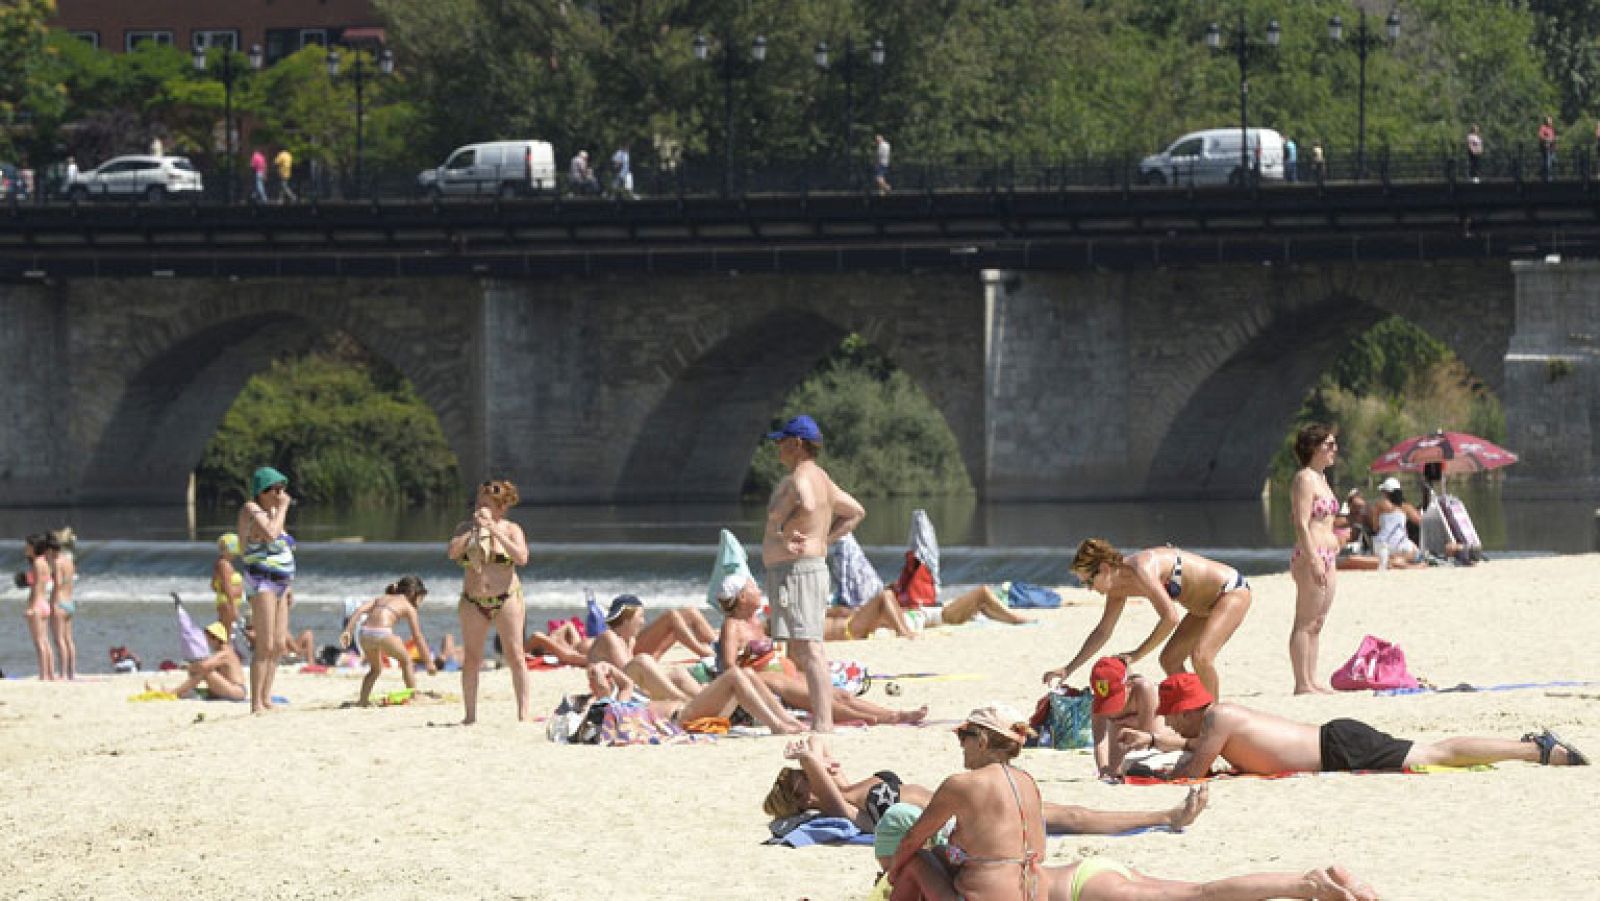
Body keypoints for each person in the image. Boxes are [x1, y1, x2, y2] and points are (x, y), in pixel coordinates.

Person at [1117, 673, 1589, 781]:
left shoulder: (1218, 719)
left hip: (1338, 749)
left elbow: (1195, 768)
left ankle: (1534, 749)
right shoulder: (1222, 715)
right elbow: (1197, 745)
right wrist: (1153, 738)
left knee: (1437, 753)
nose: (1170, 720)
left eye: (1171, 714)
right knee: (1434, 748)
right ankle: (1533, 747)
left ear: (1186, 710)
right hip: (1336, 741)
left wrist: (1149, 769)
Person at [766, 734, 1206, 846]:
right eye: (815, 774)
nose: (827, 764)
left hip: (967, 800)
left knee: (1065, 811)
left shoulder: (846, 784)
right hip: (961, 818)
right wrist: (804, 762)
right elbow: (845, 820)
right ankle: (1168, 816)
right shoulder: (842, 804)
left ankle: (1165, 815)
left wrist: (805, 754)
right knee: (1069, 819)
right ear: (809, 795)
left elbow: (817, 741)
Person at [1044, 539, 1250, 701]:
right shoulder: (1116, 590)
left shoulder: (1142, 568)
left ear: (1105, 568)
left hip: (1229, 591)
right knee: (1170, 660)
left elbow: (1170, 617)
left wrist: (1137, 654)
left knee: (1201, 657)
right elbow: (1102, 632)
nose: (1089, 589)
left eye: (1089, 581)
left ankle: (1212, 720)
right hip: (1201, 609)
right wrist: (1067, 669)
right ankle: (1196, 709)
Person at [763, 414, 866, 733]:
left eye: (782, 442)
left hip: (797, 571)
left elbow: (805, 501)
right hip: (805, 569)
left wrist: (782, 530)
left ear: (797, 444)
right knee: (802, 647)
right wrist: (823, 539)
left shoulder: (800, 479)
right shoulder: (823, 478)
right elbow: (856, 512)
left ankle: (824, 721)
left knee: (810, 647)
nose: (778, 448)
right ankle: (820, 714)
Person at [714, 575, 928, 726]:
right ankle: (886, 719)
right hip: (770, 681)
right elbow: (729, 668)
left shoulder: (757, 622)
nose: (759, 590)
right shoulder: (732, 626)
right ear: (742, 597)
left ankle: (893, 713)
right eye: (753, 587)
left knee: (840, 695)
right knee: (821, 701)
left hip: (786, 674)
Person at [885, 705, 1046, 900]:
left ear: (982, 741)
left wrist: (892, 876)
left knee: (916, 860)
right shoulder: (1028, 782)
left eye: (963, 736)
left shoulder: (961, 785)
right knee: (937, 852)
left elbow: (912, 840)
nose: (961, 745)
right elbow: (1039, 852)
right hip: (1030, 893)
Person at [447, 478, 533, 723]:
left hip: (506, 597)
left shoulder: (511, 529)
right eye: (478, 503)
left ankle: (523, 713)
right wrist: (475, 531)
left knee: (515, 655)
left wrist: (494, 530)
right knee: (472, 657)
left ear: (500, 507)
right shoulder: (466, 528)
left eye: (486, 504)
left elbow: (522, 557)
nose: (480, 508)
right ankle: (470, 715)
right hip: (474, 601)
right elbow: (452, 552)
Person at [586, 659, 805, 735]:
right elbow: (622, 687)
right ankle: (776, 725)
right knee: (735, 675)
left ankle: (786, 719)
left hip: (688, 710)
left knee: (746, 673)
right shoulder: (611, 708)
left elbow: (626, 682)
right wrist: (603, 688)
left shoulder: (618, 698)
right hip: (682, 718)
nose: (604, 680)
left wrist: (609, 669)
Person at [237, 466, 295, 713]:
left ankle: (266, 696)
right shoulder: (252, 509)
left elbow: (284, 545)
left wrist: (290, 584)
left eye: (283, 488)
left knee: (280, 644)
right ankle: (256, 703)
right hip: (262, 581)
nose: (280, 493)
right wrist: (283, 508)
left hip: (282, 583)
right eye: (275, 489)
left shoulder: (273, 511)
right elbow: (271, 535)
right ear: (262, 490)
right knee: (265, 644)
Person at [1288, 423, 1339, 695]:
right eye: (1329, 445)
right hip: (1311, 555)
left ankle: (1312, 678)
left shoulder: (1323, 479)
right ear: (1313, 447)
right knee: (1305, 620)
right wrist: (1313, 559)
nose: (1334, 450)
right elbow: (1302, 523)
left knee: (1318, 622)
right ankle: (1301, 683)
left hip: (1328, 554)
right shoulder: (1304, 478)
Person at [587, 595, 708, 703]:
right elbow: (625, 677)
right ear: (626, 619)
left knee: (678, 674)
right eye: (640, 616)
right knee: (642, 660)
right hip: (617, 695)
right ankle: (683, 700)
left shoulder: (629, 640)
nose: (642, 622)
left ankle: (706, 702)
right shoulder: (609, 637)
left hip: (631, 689)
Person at [339, 575, 437, 707]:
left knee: (375, 669)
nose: (420, 601)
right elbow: (417, 637)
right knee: (406, 661)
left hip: (364, 634)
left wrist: (348, 631)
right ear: (413, 593)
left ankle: (362, 700)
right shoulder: (408, 607)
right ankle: (413, 695)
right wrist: (429, 663)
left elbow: (360, 610)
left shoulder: (381, 598)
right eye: (421, 597)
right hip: (382, 633)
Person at [1084, 656, 1161, 778]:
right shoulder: (1098, 700)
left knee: (1141, 768)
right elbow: (1099, 739)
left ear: (1128, 685)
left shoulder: (1143, 689)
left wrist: (1129, 721)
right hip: (1125, 734)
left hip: (1154, 737)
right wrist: (1103, 769)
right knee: (1115, 772)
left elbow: (1149, 736)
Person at [150, 622, 246, 701]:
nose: (206, 642)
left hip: (236, 691)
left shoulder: (225, 653)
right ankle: (174, 691)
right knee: (196, 684)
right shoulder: (222, 652)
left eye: (207, 638)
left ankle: (173, 692)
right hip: (229, 688)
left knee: (205, 671)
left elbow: (203, 666)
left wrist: (187, 666)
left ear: (215, 639)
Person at [20, 533, 56, 680]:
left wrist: (31, 608)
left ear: (34, 547)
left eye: (28, 546)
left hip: (37, 604)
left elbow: (36, 587)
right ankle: (50, 674)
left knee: (39, 642)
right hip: (45, 604)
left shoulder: (36, 563)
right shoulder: (45, 562)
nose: (25, 548)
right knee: (46, 641)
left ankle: (43, 675)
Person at [49, 527, 78, 680]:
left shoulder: (57, 562)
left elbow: (58, 583)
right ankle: (71, 672)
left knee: (59, 640)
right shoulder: (69, 561)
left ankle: (63, 673)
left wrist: (52, 602)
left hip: (59, 601)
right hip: (70, 602)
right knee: (68, 640)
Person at [212, 532, 245, 631]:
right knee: (226, 632)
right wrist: (233, 605)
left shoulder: (222, 563)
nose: (235, 555)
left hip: (226, 601)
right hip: (227, 602)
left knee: (225, 631)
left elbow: (213, 585)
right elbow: (227, 585)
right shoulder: (224, 564)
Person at [1538, 116, 1557, 182]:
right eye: (1550, 121)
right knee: (1548, 164)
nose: (1551, 122)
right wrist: (1547, 139)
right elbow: (1540, 136)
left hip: (1552, 148)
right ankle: (1548, 179)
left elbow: (1553, 137)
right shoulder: (1543, 128)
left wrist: (1554, 141)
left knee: (1554, 162)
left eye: (1551, 121)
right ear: (1546, 121)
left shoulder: (1551, 129)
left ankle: (1552, 177)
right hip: (1546, 149)